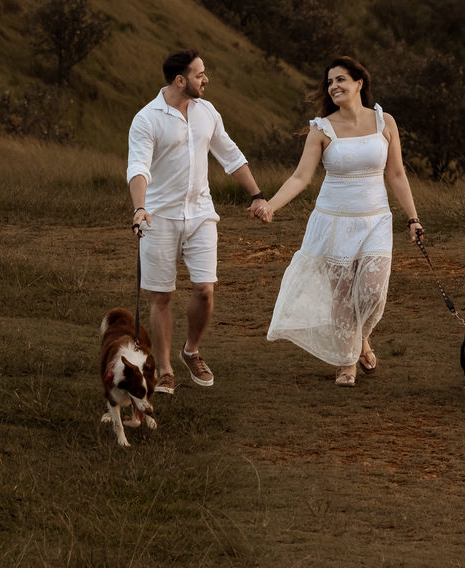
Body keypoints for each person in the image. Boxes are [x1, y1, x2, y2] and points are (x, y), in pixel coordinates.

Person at [256, 56, 424, 387]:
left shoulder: (384, 121)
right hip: (333, 223)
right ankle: (347, 363)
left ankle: (359, 338)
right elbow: (300, 177)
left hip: (376, 221)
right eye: (330, 82)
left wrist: (413, 218)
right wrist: (271, 206)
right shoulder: (321, 128)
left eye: (341, 79)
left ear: (360, 83)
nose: (334, 86)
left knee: (371, 293)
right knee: (343, 295)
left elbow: (397, 173)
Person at [127, 49, 270, 395]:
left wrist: (257, 195)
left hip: (202, 215)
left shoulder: (207, 112)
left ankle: (191, 350)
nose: (206, 80)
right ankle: (163, 369)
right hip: (158, 217)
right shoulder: (147, 119)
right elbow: (138, 168)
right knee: (161, 296)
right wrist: (140, 208)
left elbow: (230, 155)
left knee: (205, 291)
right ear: (180, 80)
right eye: (199, 74)